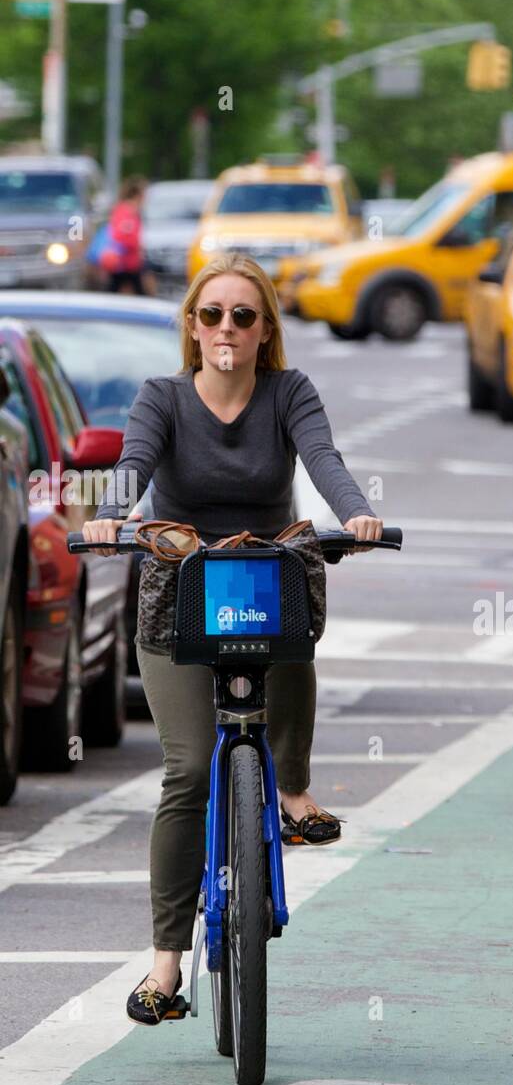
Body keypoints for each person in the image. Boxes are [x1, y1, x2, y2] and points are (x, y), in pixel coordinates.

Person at [82, 252, 383, 1025]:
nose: (226, 327)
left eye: (243, 316)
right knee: (185, 772)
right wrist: (114, 515)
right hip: (179, 589)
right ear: (191, 326)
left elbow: (325, 461)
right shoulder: (162, 398)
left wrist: (355, 514)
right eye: (212, 314)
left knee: (295, 601)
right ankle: (164, 968)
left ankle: (291, 789)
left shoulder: (290, 393)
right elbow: (133, 465)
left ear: (264, 331)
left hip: (257, 575)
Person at [100, 176, 156, 296]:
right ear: (137, 195)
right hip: (126, 261)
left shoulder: (123, 209)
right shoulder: (128, 211)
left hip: (125, 261)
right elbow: (124, 235)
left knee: (115, 289)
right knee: (138, 290)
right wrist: (136, 246)